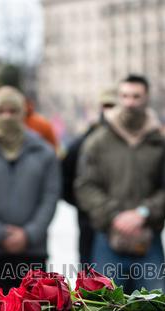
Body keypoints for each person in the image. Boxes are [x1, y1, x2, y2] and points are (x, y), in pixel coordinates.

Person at [75, 74, 165, 293]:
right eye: (125, 96)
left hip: (149, 240)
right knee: (105, 307)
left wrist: (143, 213)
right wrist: (115, 216)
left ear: (146, 98)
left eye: (136, 96)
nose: (130, 102)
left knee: (156, 307)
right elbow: (85, 185)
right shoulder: (98, 141)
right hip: (108, 238)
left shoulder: (160, 142)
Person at [0, 86, 60, 303]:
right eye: (0, 111)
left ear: (23, 113)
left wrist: (28, 234)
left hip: (32, 252)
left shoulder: (44, 151)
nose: (7, 117)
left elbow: (50, 198)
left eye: (13, 111)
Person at [61, 86, 115, 267]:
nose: (112, 111)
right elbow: (66, 181)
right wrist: (86, 205)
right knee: (90, 277)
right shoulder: (83, 143)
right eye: (108, 106)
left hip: (130, 227)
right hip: (90, 224)